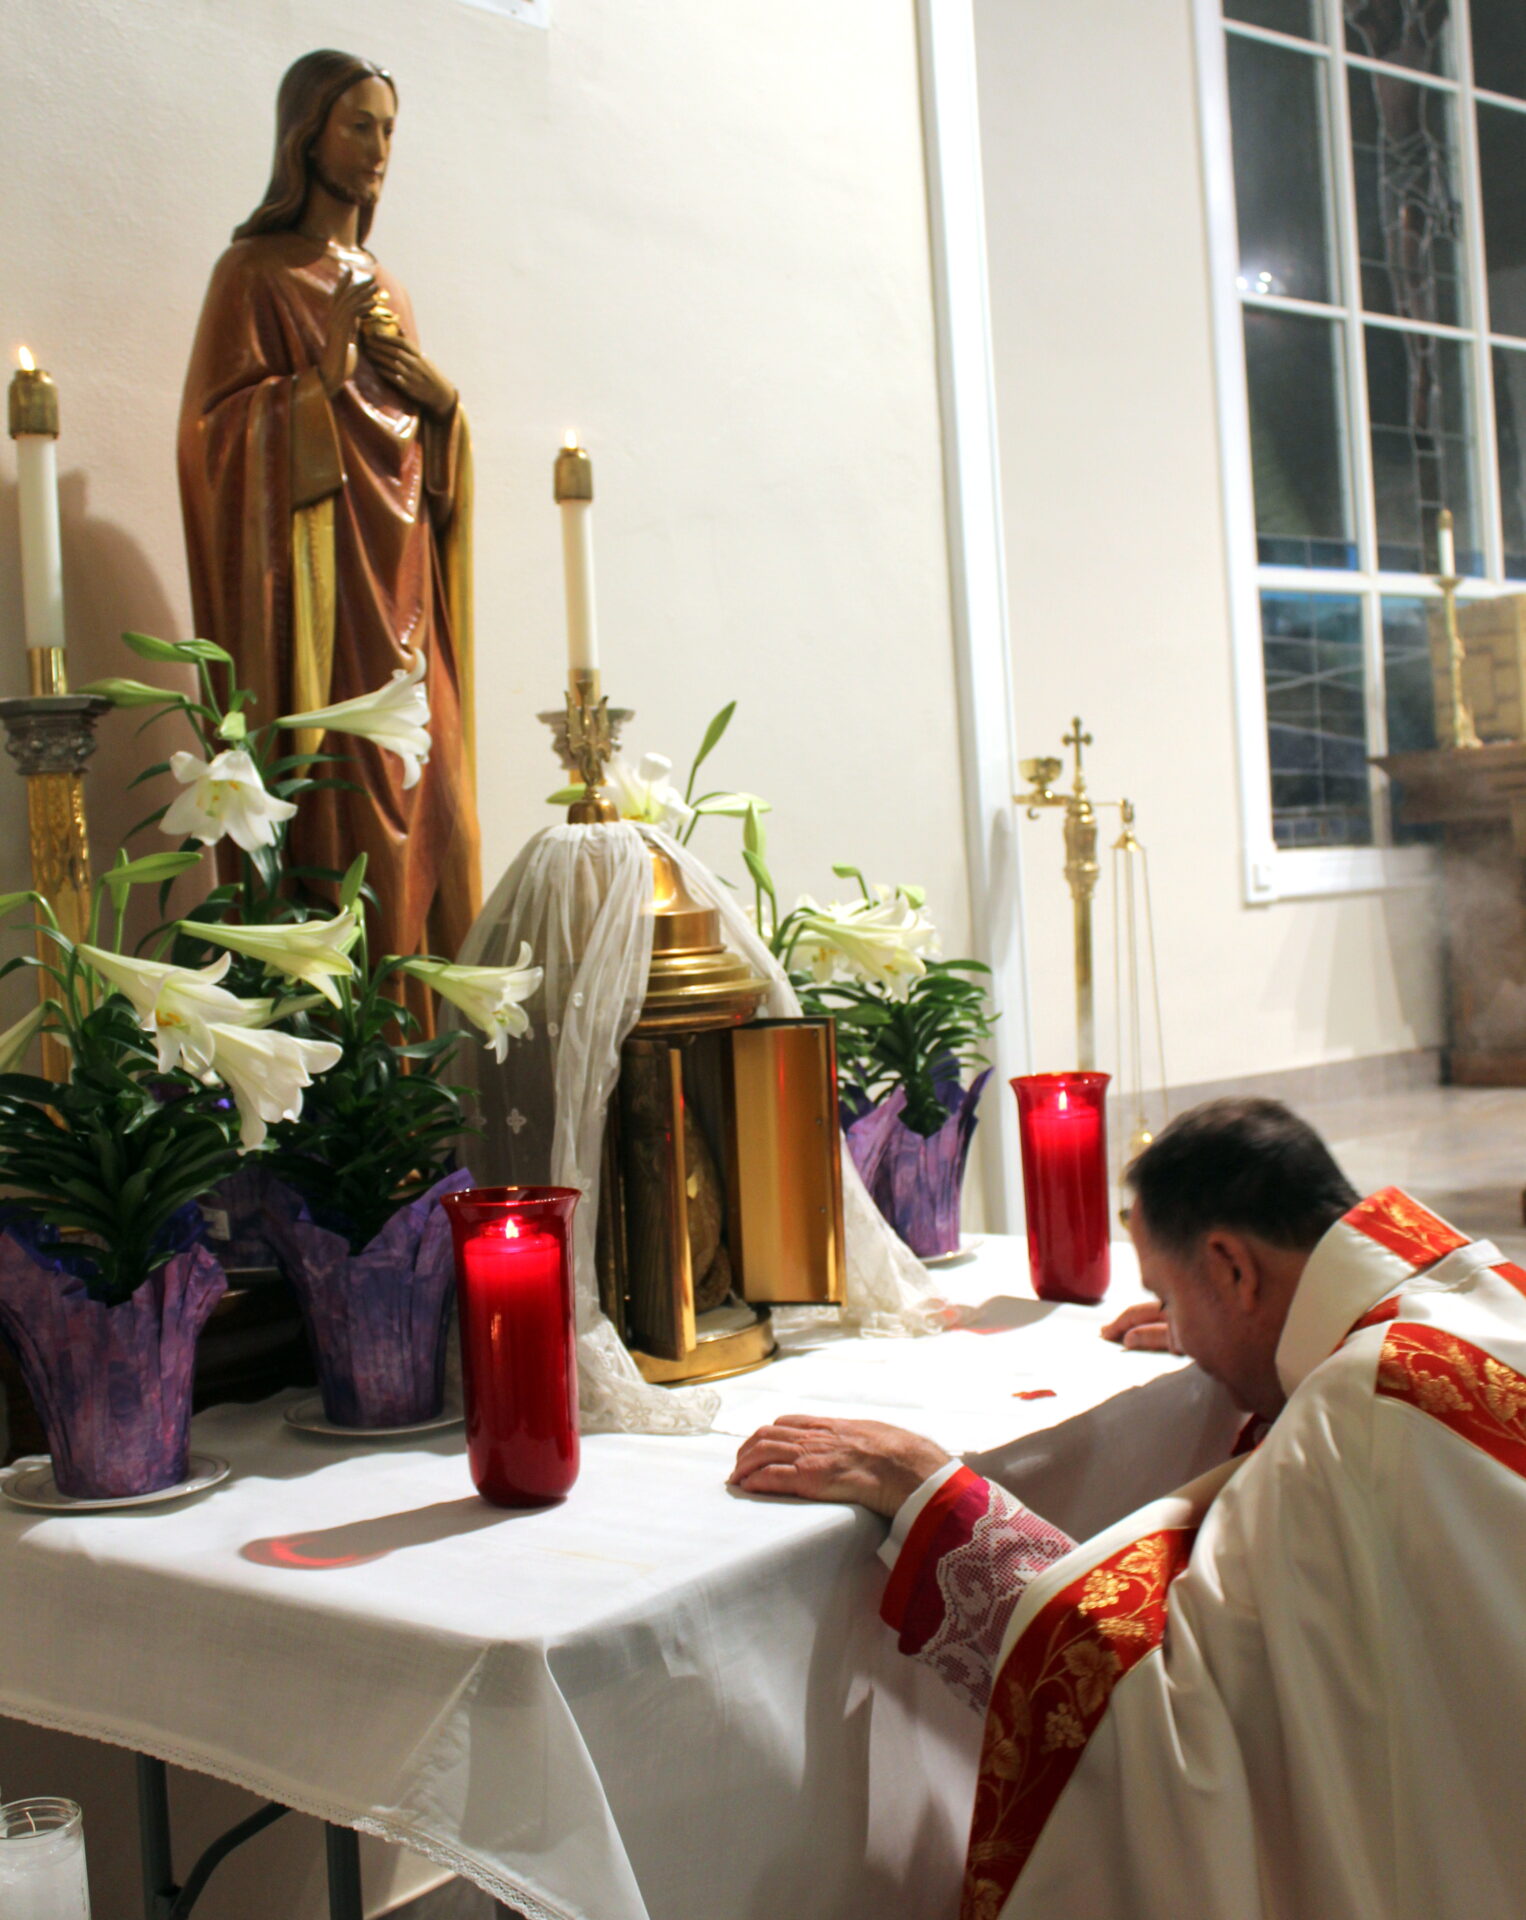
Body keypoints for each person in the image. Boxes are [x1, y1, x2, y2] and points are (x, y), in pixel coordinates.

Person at [731, 1098, 1526, 1918]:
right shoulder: (1472, 1300)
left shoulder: (1359, 1416)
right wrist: (1214, 1318)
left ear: (1233, 1268)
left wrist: (931, 1493)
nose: (1173, 1324)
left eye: (1172, 1293)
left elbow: (1164, 1705)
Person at [179, 49, 480, 969]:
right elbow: (216, 441)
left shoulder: (389, 287)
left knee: (439, 814)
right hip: (321, 614)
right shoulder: (254, 275)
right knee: (349, 811)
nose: (380, 147)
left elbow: (418, 472)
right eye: (360, 125)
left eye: (389, 127)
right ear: (307, 137)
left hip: (403, 601)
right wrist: (325, 375)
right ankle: (356, 1083)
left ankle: (439, 1077)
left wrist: (444, 408)